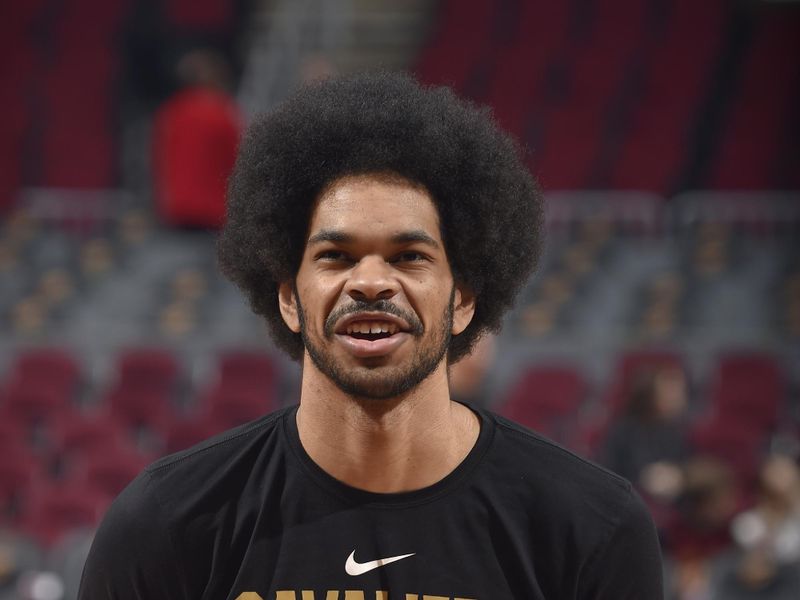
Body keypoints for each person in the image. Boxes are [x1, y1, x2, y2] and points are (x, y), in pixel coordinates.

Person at [78, 72, 663, 599]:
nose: (372, 283)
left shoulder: (590, 526)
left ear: (463, 299)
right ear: (287, 296)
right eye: (336, 255)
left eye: (409, 256)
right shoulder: (167, 522)